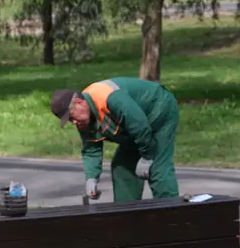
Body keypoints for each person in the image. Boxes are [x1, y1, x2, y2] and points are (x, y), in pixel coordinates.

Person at [49, 77, 180, 203]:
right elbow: (91, 149)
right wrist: (91, 178)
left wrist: (146, 157)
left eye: (72, 117)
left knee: (157, 166)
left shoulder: (110, 98)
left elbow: (138, 125)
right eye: (70, 120)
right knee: (122, 167)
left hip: (158, 109)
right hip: (135, 126)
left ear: (79, 102)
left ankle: (171, 212)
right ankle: (126, 213)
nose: (74, 122)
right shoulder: (84, 119)